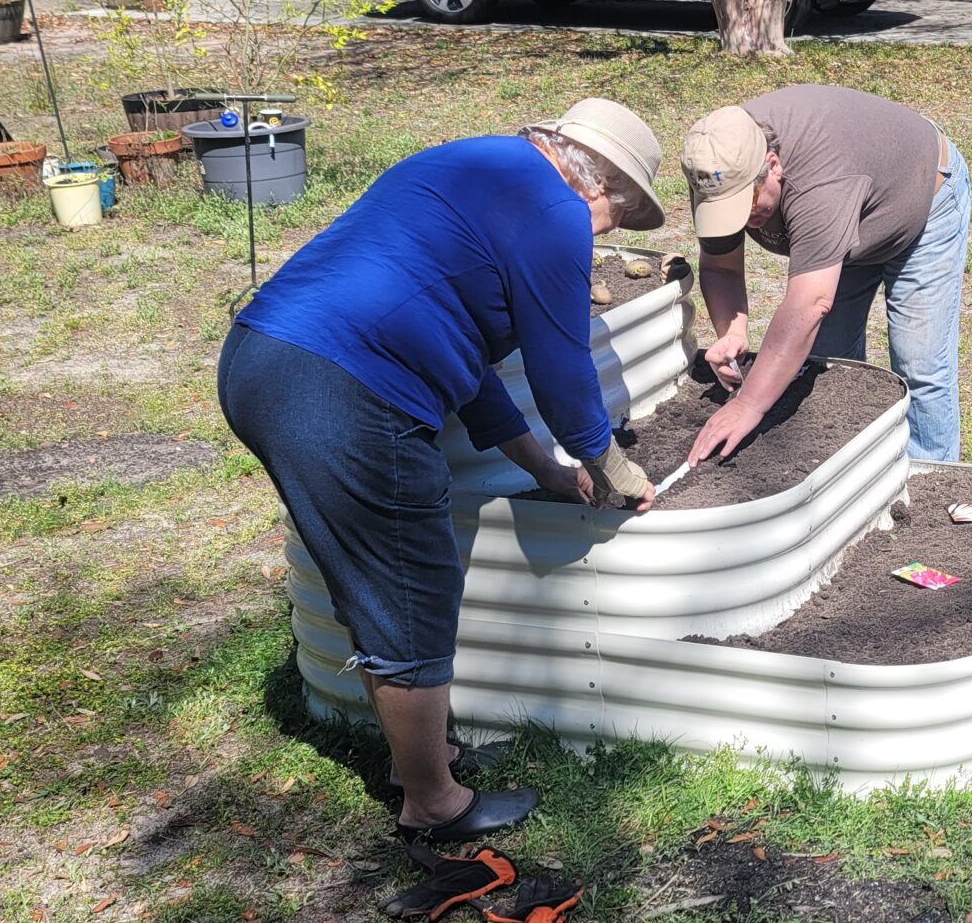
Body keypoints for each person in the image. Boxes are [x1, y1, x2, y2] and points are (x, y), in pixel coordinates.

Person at [217, 99, 665, 846]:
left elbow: (462, 360)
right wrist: (612, 466)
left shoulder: (466, 165)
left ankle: (420, 758)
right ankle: (433, 803)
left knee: (375, 581)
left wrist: (546, 469)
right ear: (602, 188)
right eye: (617, 219)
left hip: (263, 359)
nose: (603, 235)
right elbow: (561, 371)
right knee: (410, 586)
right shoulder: (556, 211)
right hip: (344, 391)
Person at [679, 85, 972, 466]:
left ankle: (928, 474)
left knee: (919, 363)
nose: (742, 220)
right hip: (848, 214)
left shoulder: (819, 182)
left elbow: (810, 303)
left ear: (772, 165)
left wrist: (748, 404)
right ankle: (857, 471)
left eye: (747, 204)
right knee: (830, 364)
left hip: (920, 200)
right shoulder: (717, 168)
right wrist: (732, 332)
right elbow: (721, 265)